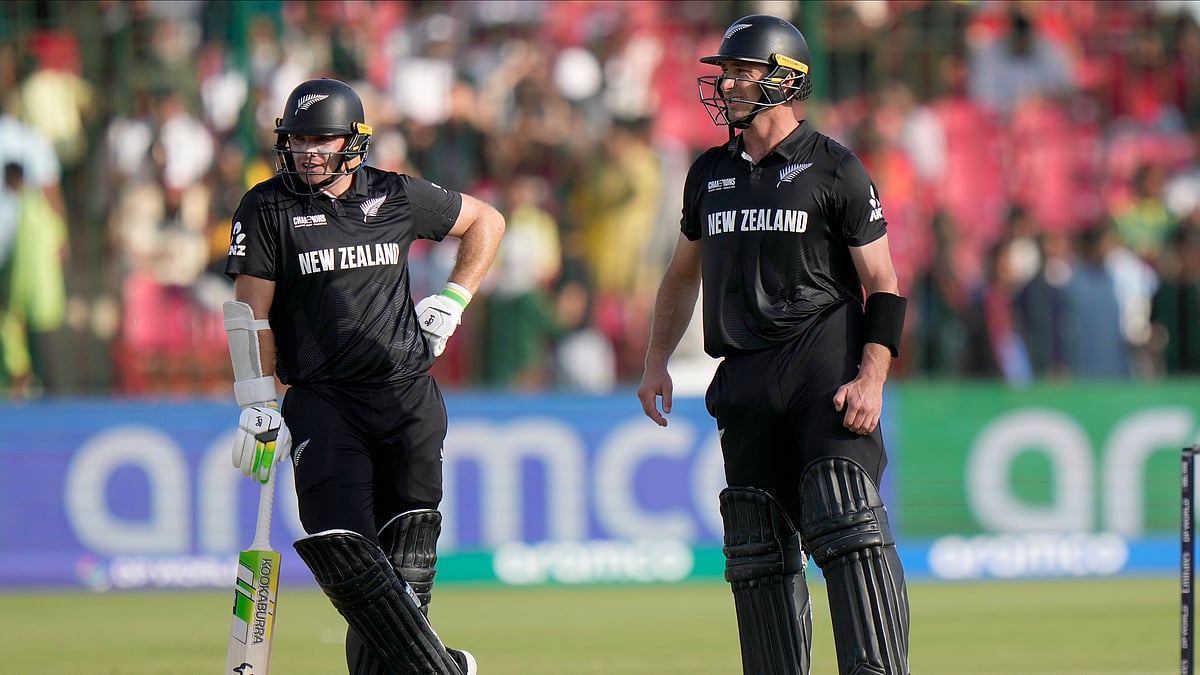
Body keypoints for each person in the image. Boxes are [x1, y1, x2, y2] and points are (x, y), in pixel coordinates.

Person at [636, 15, 910, 675]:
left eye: (743, 71)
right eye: (724, 71)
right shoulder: (708, 173)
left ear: (786, 81)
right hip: (745, 377)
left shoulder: (835, 168)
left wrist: (872, 377)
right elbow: (681, 276)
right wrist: (654, 360)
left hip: (826, 371)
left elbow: (885, 285)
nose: (726, 83)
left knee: (847, 521)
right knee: (757, 547)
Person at [223, 77, 503, 675]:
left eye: (321, 139)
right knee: (346, 558)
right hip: (324, 405)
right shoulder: (267, 205)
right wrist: (256, 401)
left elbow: (488, 223)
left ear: (354, 142)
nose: (306, 152)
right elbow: (251, 317)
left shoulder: (397, 195)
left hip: (408, 400)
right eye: (297, 140)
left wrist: (452, 299)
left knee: (409, 570)